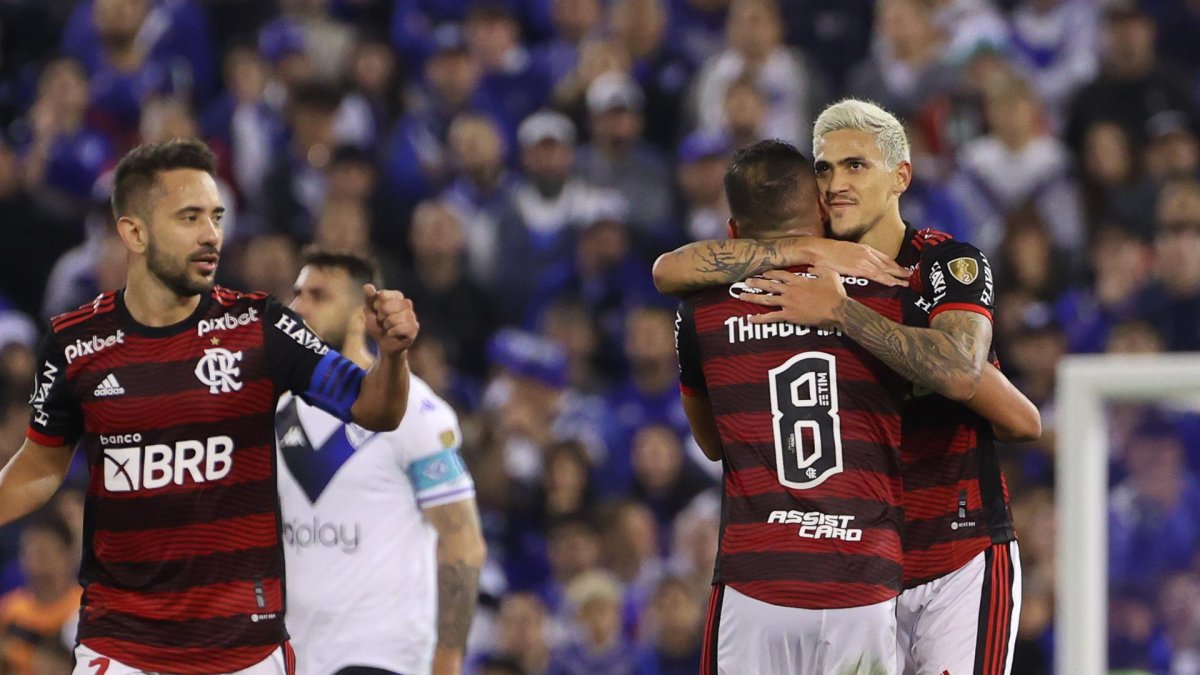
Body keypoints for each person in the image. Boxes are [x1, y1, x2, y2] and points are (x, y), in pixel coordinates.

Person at [0, 139, 419, 674]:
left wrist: (393, 356)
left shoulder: (261, 327)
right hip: (122, 646)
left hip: (243, 651)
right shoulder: (74, 344)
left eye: (216, 217)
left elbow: (374, 409)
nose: (211, 235)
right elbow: (39, 465)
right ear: (133, 232)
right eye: (190, 217)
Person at [655, 99, 1039, 675]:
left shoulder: (941, 264)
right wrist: (807, 248)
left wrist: (842, 313)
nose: (836, 183)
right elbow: (669, 270)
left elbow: (997, 401)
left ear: (900, 176)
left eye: (856, 165)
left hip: (955, 554)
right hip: (855, 570)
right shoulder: (788, 271)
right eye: (825, 169)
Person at [675, 140, 914, 674]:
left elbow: (712, 443)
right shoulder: (879, 294)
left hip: (755, 581)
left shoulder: (700, 312)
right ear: (823, 214)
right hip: (863, 579)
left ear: (733, 231)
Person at [278, 248, 486, 675]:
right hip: (290, 655)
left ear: (361, 315)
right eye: (297, 293)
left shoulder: (415, 413)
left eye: (318, 296)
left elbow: (462, 542)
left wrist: (447, 659)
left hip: (381, 654)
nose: (298, 308)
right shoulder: (274, 408)